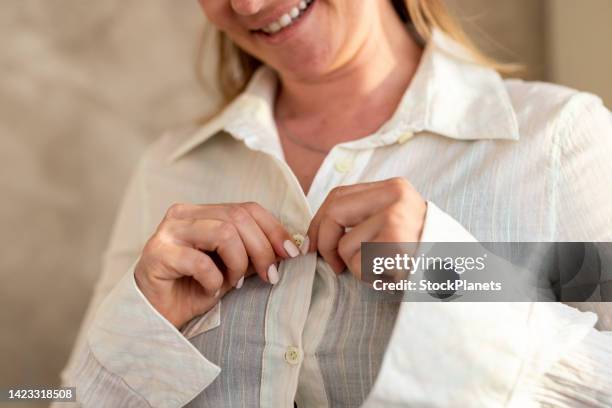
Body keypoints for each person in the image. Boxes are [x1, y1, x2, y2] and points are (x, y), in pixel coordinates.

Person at [56, 0, 612, 406]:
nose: (248, 5)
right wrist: (141, 325)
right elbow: (67, 399)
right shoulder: (169, 170)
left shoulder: (560, 141)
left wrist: (450, 271)